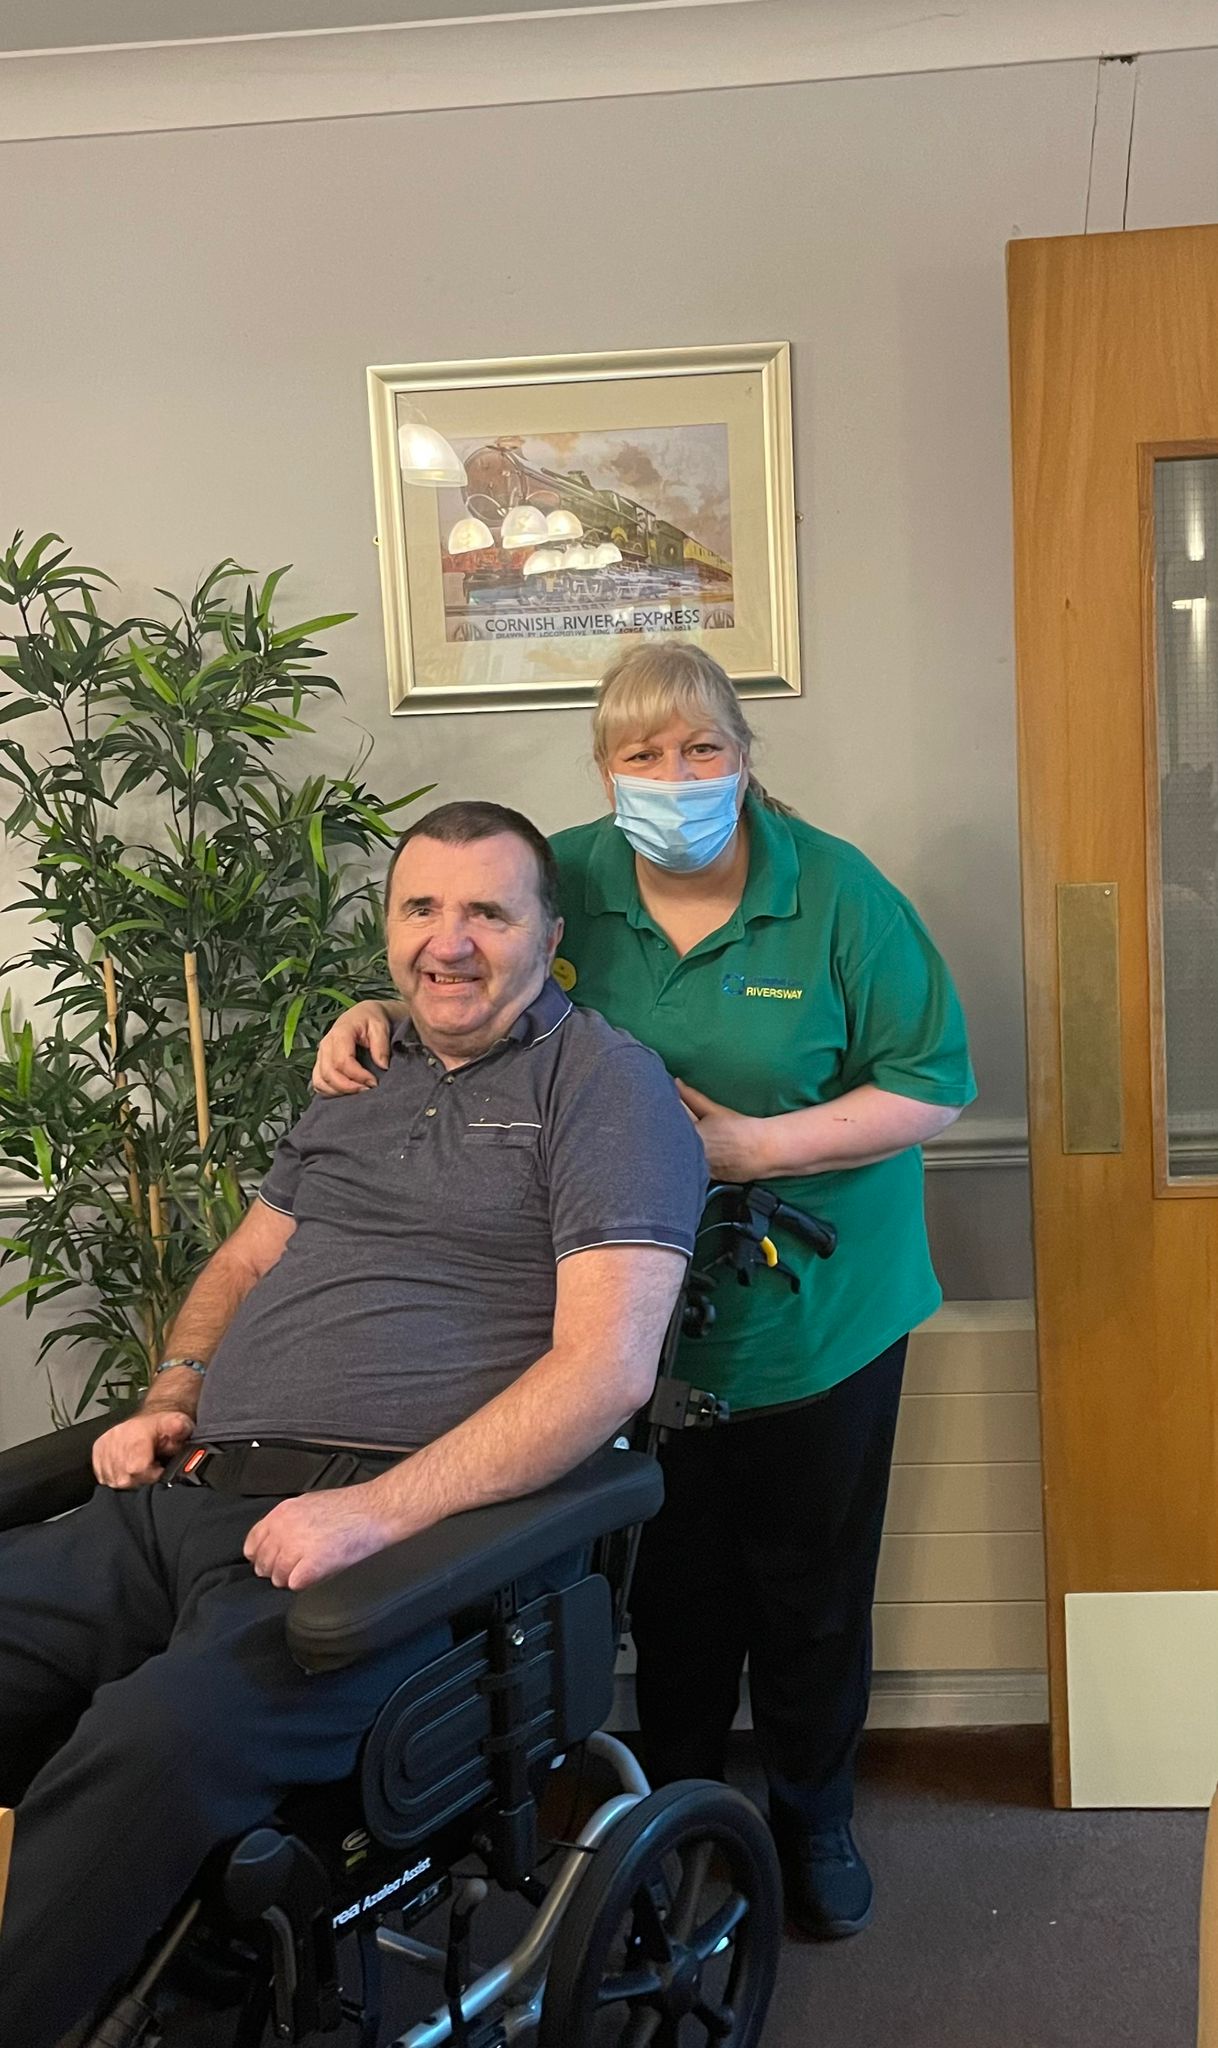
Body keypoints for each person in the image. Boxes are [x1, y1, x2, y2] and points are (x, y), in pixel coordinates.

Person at [0, 800, 705, 2048]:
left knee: (154, 1735)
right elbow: (241, 1262)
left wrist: (372, 1513)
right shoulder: (358, 1079)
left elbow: (606, 1371)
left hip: (395, 1543)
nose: (449, 939)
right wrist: (172, 1391)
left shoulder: (605, 1085)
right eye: (421, 907)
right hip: (195, 1489)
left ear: (551, 936)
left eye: (487, 911)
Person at [313, 644, 976, 1942]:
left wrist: (752, 1148)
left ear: (744, 757)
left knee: (810, 1594)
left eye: (700, 748)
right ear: (604, 770)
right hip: (616, 1324)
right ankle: (668, 1819)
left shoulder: (836, 894)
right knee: (668, 1596)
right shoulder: (564, 878)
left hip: (816, 1317)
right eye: (642, 754)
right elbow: (464, 974)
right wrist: (372, 1015)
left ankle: (813, 1815)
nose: (674, 776)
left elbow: (933, 1082)